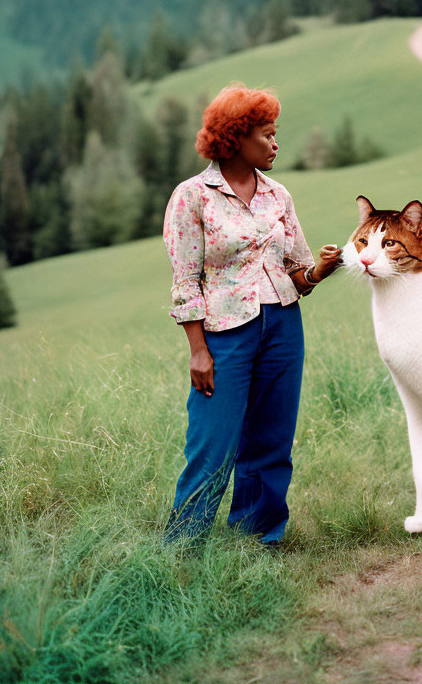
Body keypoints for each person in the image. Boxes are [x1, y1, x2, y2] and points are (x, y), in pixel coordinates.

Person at [162, 84, 340, 546]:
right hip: (224, 334)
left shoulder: (278, 196)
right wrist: (197, 351)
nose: (276, 144)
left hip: (282, 326)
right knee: (212, 445)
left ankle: (257, 540)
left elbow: (296, 270)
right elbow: (185, 280)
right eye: (267, 135)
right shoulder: (192, 197)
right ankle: (182, 548)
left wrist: (321, 269)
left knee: (271, 442)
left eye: (276, 134)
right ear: (236, 138)